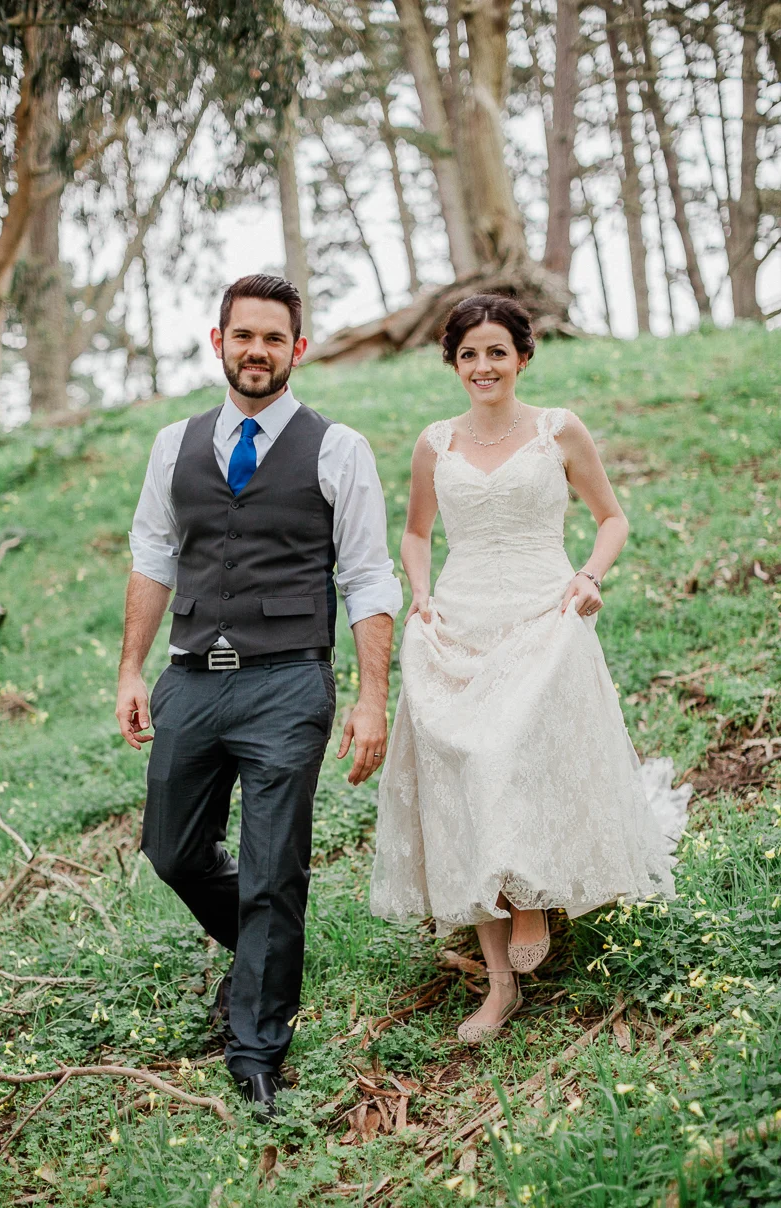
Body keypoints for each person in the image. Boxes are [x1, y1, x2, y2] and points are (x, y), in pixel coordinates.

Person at [116, 274, 402, 1114]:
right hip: (190, 681)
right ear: (219, 341)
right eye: (243, 335)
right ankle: (261, 955)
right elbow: (152, 556)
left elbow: (367, 576)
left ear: (297, 350)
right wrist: (133, 670)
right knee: (170, 850)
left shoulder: (338, 447)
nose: (257, 351)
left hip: (287, 685)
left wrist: (371, 697)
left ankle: (256, 1050)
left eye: (273, 338)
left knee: (275, 868)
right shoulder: (175, 443)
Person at [370, 294, 685, 1043]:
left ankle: (533, 894)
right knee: (461, 771)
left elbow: (612, 518)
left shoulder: (556, 430)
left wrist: (589, 575)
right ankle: (499, 983)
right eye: (469, 353)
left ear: (520, 357)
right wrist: (419, 590)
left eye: (496, 352)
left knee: (509, 753)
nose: (483, 366)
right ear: (453, 362)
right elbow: (416, 534)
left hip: (545, 612)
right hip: (462, 616)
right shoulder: (433, 443)